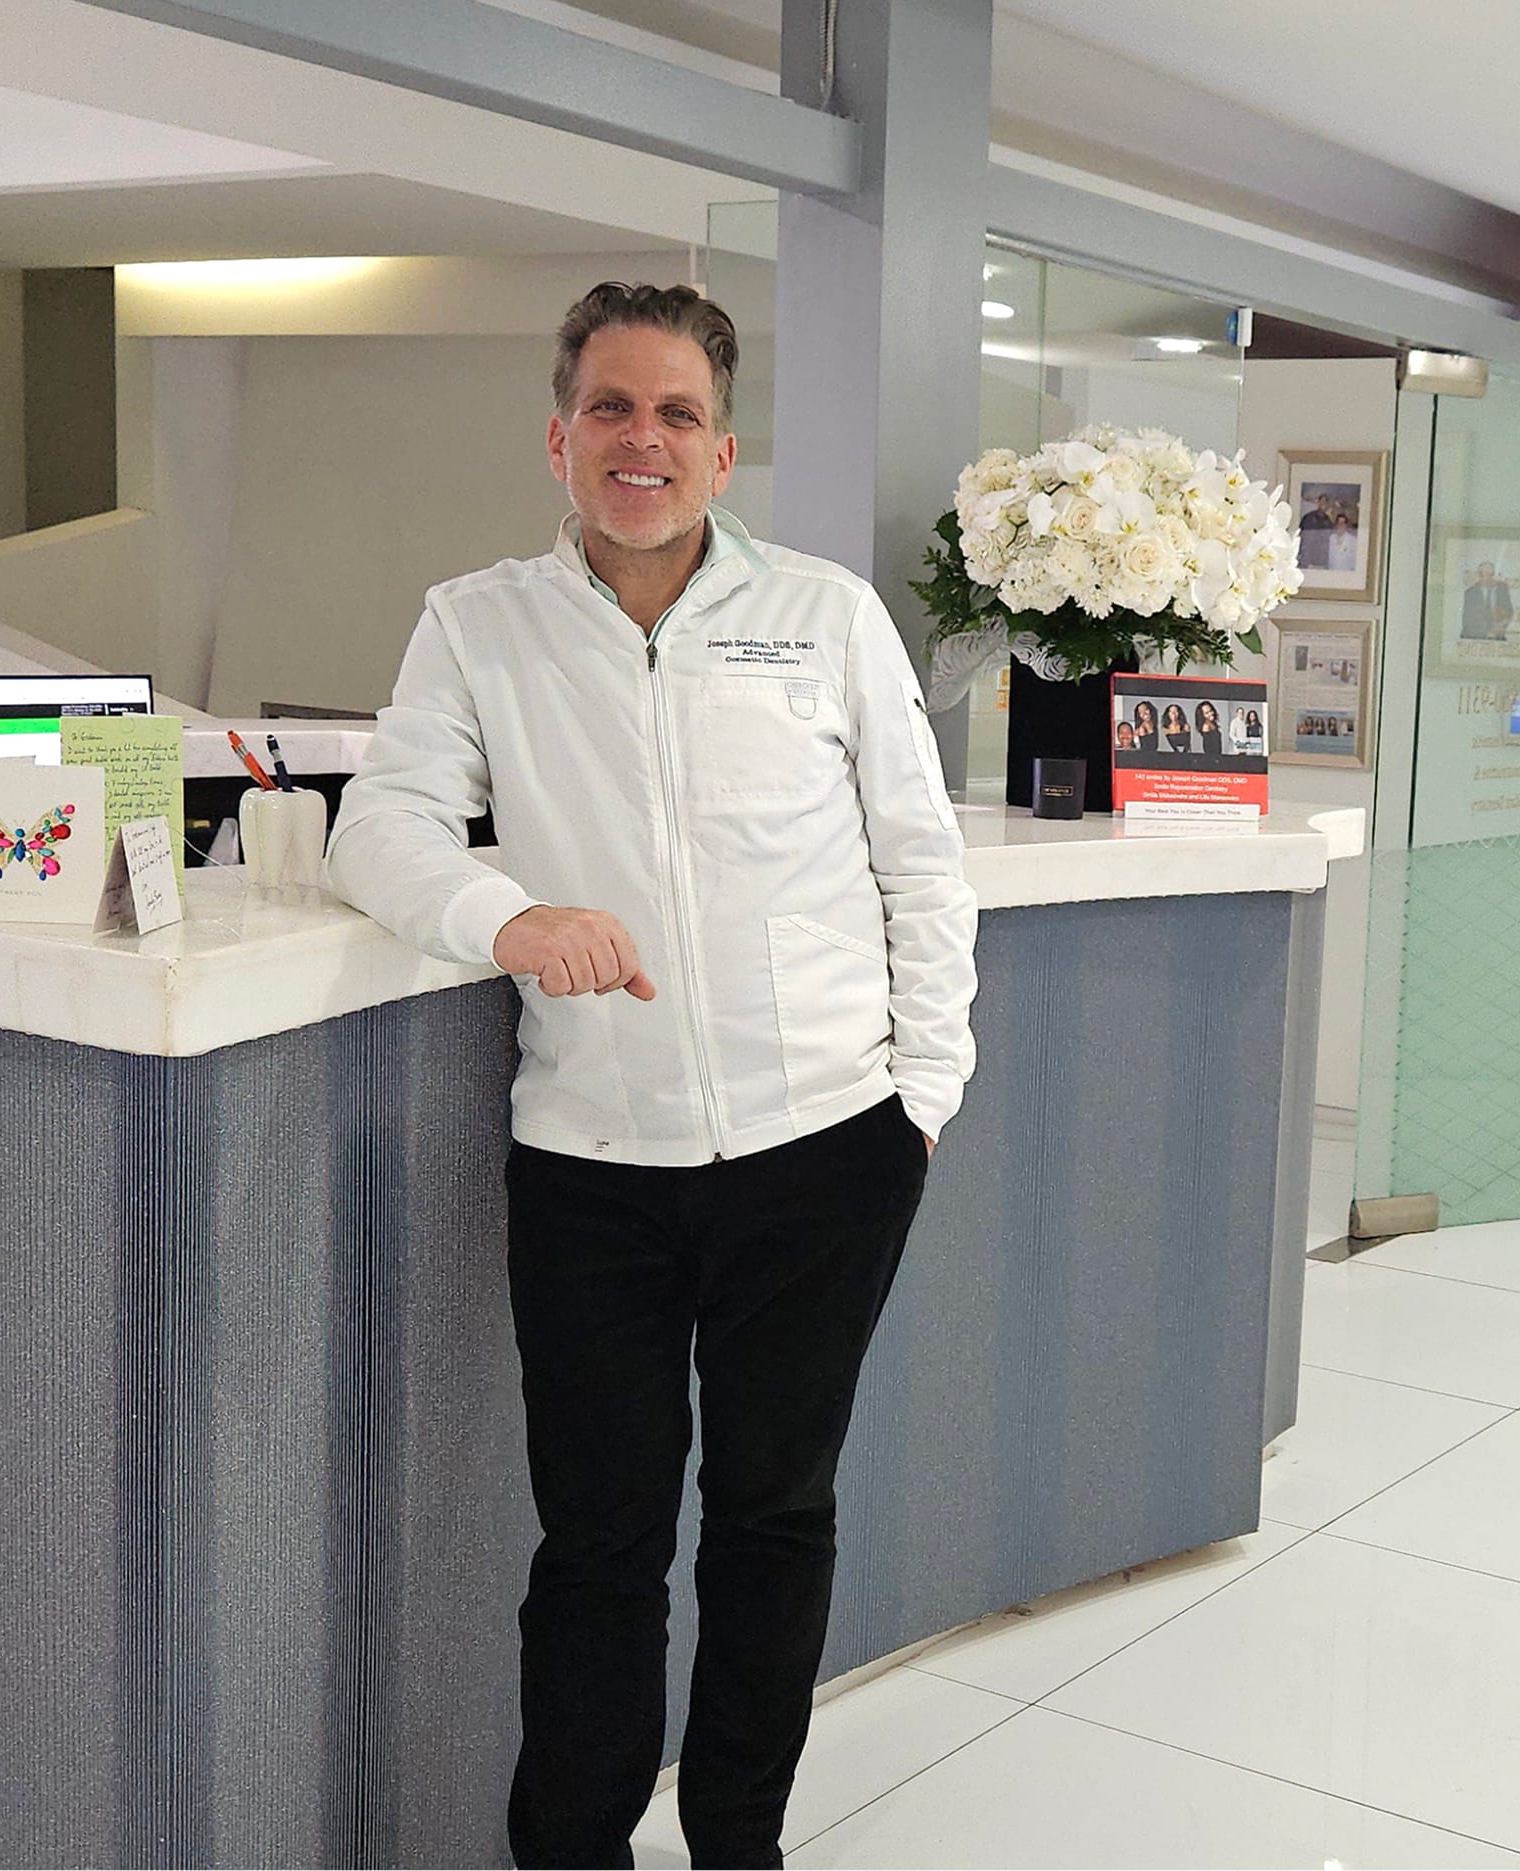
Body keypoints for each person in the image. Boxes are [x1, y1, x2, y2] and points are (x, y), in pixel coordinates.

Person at [326, 282, 979, 1871]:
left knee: (773, 1516)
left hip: (822, 1149)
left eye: (678, 411)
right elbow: (381, 825)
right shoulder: (477, 622)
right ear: (559, 438)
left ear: (723, 451)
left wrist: (920, 1102)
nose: (644, 438)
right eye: (611, 406)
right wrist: (505, 916)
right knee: (600, 1542)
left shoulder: (825, 615)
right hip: (592, 1164)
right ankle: (571, 1848)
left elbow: (921, 859)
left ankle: (738, 1837)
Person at [1459, 560, 1516, 640]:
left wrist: (1501, 626)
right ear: (1480, 576)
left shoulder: (1502, 589)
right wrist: (1487, 634)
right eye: (1486, 575)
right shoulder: (1470, 593)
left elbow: (1509, 612)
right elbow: (1468, 621)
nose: (1490, 579)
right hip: (1475, 637)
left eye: (1491, 575)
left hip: (1497, 637)